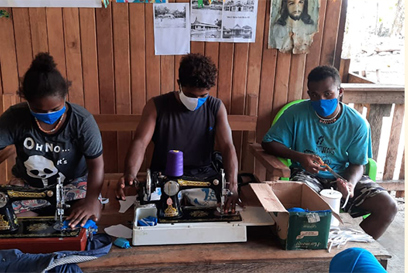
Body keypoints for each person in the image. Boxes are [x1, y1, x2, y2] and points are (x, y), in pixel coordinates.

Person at [261, 66, 397, 239]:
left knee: (388, 207)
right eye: (315, 95)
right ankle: (311, 246)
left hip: (342, 176)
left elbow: (358, 164)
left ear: (340, 91)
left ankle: (349, 246)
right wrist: (300, 157)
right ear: (309, 93)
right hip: (307, 175)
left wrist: (350, 184)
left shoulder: (357, 123)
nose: (321, 100)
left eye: (328, 94)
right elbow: (268, 143)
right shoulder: (295, 114)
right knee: (302, 206)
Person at [115, 53, 239, 213]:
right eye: (190, 95)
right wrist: (130, 175)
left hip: (202, 176)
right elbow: (140, 142)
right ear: (179, 84)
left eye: (203, 96)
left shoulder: (215, 107)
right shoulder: (157, 106)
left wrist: (233, 186)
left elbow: (228, 146)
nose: (197, 100)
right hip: (163, 177)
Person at [0, 52, 104, 228]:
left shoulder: (82, 121)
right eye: (39, 110)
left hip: (74, 184)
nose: (48, 115)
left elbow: (97, 165)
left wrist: (91, 201)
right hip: (29, 186)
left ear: (65, 97)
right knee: (15, 226)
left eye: (55, 109)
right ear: (27, 102)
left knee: (83, 222)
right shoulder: (15, 117)